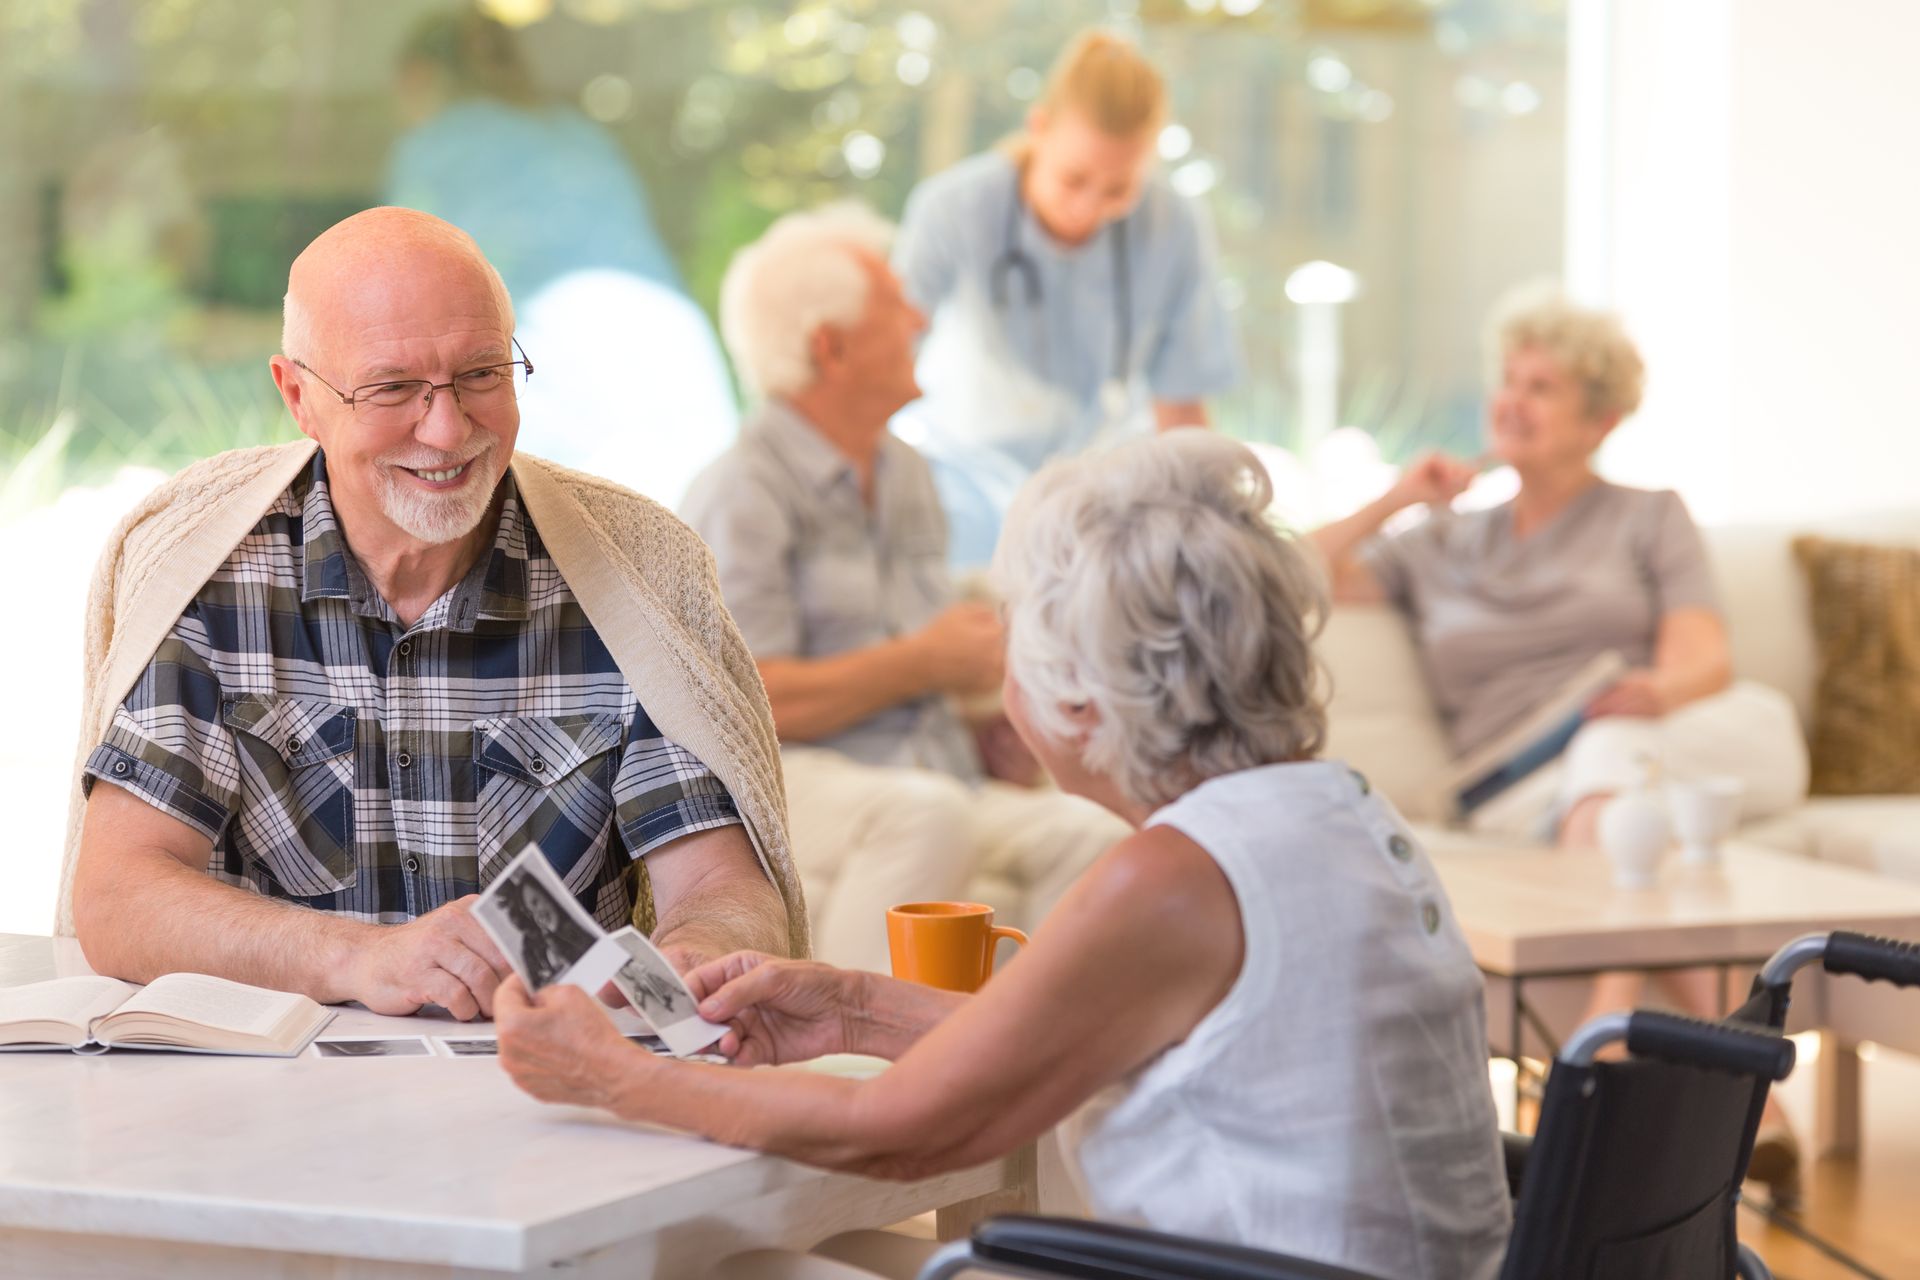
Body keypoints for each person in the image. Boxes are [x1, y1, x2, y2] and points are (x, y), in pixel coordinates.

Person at [497, 432, 1513, 1280]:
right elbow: (1077, 1032)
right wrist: (849, 1007)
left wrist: (608, 1077)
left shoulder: (1172, 880)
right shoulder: (1328, 813)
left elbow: (898, 1132)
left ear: (1076, 700)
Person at [61, 207, 807, 1022]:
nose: (448, 431)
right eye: (393, 388)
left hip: (554, 1091)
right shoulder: (208, 569)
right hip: (275, 1103)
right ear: (298, 395)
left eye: (483, 374)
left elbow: (722, 886)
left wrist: (695, 959)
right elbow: (118, 896)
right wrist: (361, 958)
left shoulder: (632, 574)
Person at [1310, 284, 1810, 1196]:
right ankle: (1739, 1092)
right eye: (1508, 380)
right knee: (1626, 784)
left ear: (1601, 418)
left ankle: (1611, 1027)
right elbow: (1286, 580)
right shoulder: (1441, 541)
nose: (1513, 400)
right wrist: (1395, 497)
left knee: (1629, 761)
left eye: (1541, 386)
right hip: (1513, 786)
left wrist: (1650, 690)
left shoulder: (1649, 514)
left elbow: (1703, 657)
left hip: (1636, 746)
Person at [681, 202, 1128, 972]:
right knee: (927, 817)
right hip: (780, 781)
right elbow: (748, 705)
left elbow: (923, 657)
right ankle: (846, 1069)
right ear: (832, 347)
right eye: (896, 306)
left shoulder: (907, 474)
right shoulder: (741, 491)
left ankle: (1037, 1079)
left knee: (1098, 835)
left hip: (929, 774)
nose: (920, 317)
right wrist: (925, 663)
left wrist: (987, 721)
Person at [892, 28, 1242, 568]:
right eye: (1074, 178)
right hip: (965, 485)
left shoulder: (1173, 226)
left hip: (1107, 495)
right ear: (1039, 128)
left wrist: (1215, 534)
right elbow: (889, 356)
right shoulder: (954, 210)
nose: (1090, 207)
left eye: (1118, 189)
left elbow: (1181, 406)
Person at [387, 10, 737, 508]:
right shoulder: (581, 135)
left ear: (418, 76)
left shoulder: (434, 147)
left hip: (559, 355)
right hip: (675, 347)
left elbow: (400, 289)